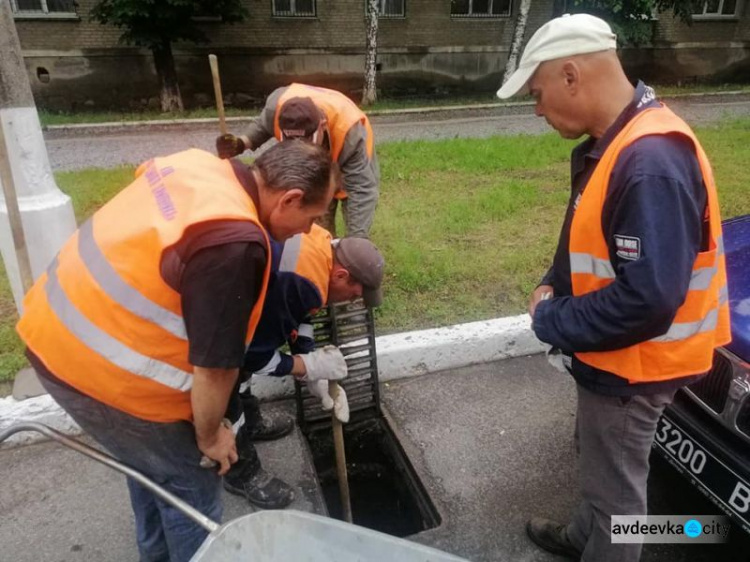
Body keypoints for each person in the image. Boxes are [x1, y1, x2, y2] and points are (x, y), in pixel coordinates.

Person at [16, 141, 344, 562]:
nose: (307, 230)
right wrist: (212, 437)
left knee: (154, 467)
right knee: (193, 484)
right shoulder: (236, 244)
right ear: (290, 198)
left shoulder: (198, 167)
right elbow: (215, 367)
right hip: (97, 367)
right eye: (311, 217)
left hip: (57, 327)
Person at [497, 13, 731, 562]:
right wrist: (555, 281)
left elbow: (647, 299)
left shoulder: (649, 160)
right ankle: (585, 536)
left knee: (620, 496)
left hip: (636, 366)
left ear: (572, 75)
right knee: (602, 467)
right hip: (618, 357)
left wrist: (551, 320)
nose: (536, 109)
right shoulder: (621, 138)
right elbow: (594, 239)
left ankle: (604, 543)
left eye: (538, 92)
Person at [223, 224, 385, 508]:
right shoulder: (301, 281)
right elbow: (254, 357)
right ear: (342, 275)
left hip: (241, 300)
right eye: (354, 295)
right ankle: (241, 472)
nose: (352, 301)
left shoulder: (322, 249)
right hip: (215, 319)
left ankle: (253, 423)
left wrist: (311, 365)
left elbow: (303, 313)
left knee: (243, 369)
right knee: (227, 382)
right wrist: (305, 367)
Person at [216, 83, 380, 239]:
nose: (301, 150)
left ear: (322, 126)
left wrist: (356, 239)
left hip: (350, 163)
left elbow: (361, 190)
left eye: (308, 142)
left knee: (354, 229)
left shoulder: (350, 132)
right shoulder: (277, 106)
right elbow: (263, 125)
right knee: (315, 224)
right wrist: (240, 143)